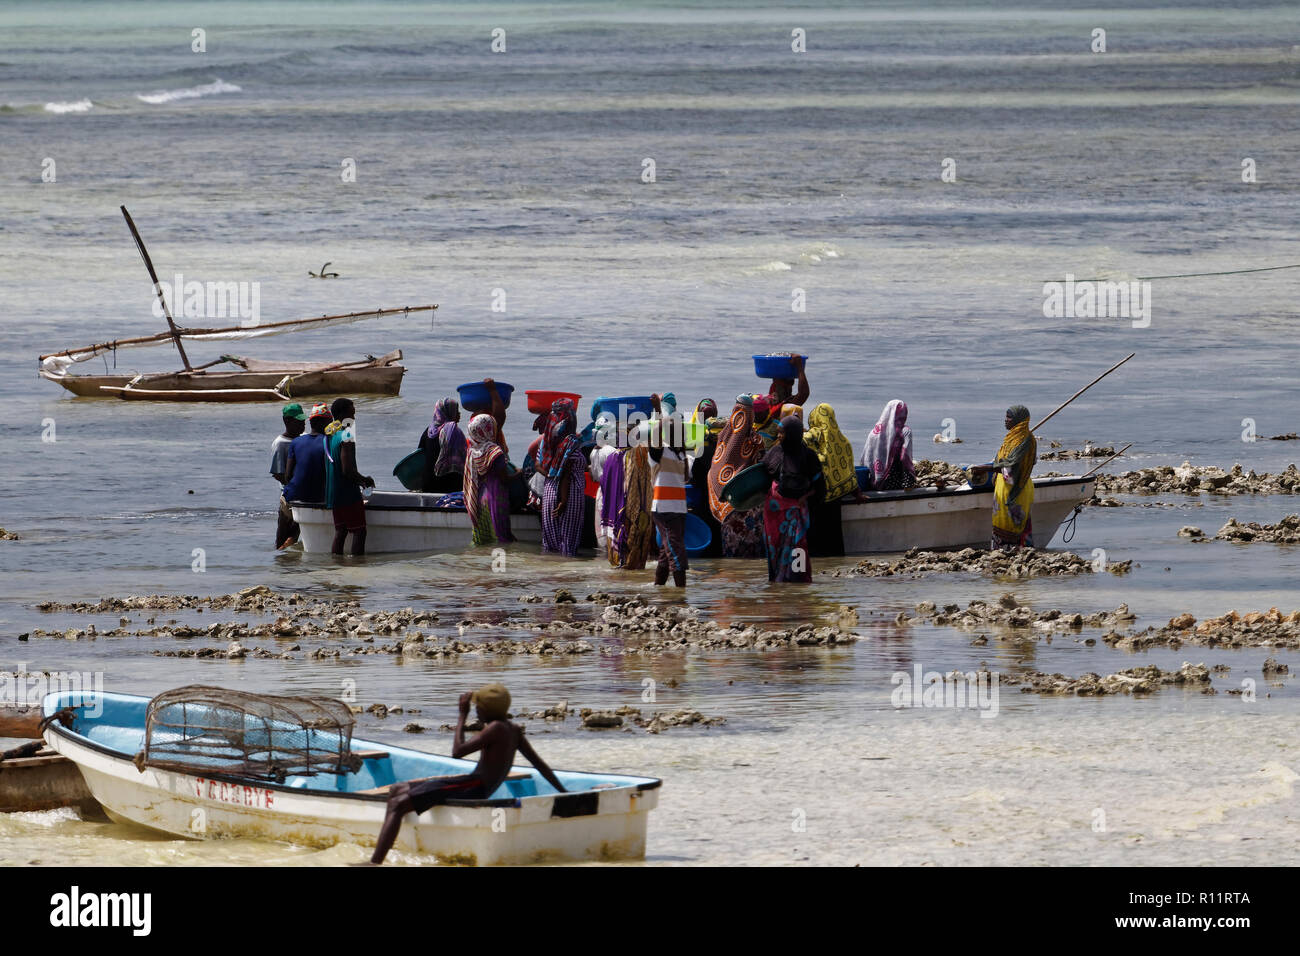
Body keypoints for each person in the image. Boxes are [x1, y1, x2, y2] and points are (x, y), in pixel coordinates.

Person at [369, 683, 566, 865]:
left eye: (478, 708)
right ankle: (388, 844)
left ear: (488, 710)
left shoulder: (496, 728)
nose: (476, 711)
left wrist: (462, 715)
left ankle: (374, 862)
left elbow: (457, 752)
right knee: (396, 789)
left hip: (474, 787)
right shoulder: (513, 729)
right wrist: (563, 791)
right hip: (472, 784)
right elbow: (540, 765)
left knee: (397, 803)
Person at [762, 416, 821, 583]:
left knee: (798, 547)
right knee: (775, 547)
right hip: (774, 514)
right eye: (778, 433)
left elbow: (819, 485)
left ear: (793, 434)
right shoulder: (775, 452)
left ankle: (799, 585)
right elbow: (763, 476)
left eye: (782, 433)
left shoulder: (808, 456)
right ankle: (778, 582)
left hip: (796, 510)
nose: (779, 436)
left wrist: (805, 497)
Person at [707, 394, 766, 558]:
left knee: (733, 557)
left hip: (730, 506)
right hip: (752, 507)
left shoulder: (723, 438)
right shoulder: (756, 440)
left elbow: (716, 472)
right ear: (752, 415)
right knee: (754, 557)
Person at [976, 405, 1037, 551]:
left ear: (1019, 421)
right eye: (1006, 416)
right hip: (1003, 487)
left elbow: (1012, 466)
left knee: (1014, 523)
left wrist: (985, 468)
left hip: (1018, 488)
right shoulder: (1010, 438)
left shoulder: (1026, 440)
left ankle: (1016, 554)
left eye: (1009, 417)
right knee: (1001, 522)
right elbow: (1002, 461)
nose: (1005, 420)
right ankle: (1001, 555)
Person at [803, 402, 860, 557]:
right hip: (836, 497)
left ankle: (816, 566)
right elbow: (848, 471)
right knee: (833, 534)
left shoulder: (811, 436)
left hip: (815, 497)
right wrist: (858, 494)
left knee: (814, 536)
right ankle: (835, 566)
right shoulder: (844, 442)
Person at [647, 393, 689, 587]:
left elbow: (686, 478)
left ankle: (659, 587)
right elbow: (654, 434)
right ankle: (682, 593)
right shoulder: (659, 452)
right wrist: (657, 410)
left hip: (677, 510)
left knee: (667, 551)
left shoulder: (681, 456)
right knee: (676, 550)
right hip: (664, 509)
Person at [324, 397, 375, 555]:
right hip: (347, 492)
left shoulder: (331, 435)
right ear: (342, 414)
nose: (353, 418)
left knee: (341, 531)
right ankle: (356, 570)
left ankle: (337, 567)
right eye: (351, 414)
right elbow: (347, 470)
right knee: (359, 532)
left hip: (333, 493)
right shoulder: (347, 436)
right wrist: (364, 480)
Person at [538, 398, 584, 556]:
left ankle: (552, 577)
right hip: (568, 496)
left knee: (551, 543)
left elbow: (538, 465)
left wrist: (552, 477)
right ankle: (566, 578)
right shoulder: (570, 442)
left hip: (549, 492)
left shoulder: (547, 440)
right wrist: (563, 500)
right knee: (567, 543)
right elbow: (566, 474)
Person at [281, 403, 332, 544]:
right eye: (330, 421)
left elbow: (287, 476)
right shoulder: (329, 442)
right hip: (316, 498)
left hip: (291, 497)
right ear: (324, 423)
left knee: (284, 536)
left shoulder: (296, 442)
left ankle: (281, 555)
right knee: (296, 536)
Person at [464, 413, 515, 546]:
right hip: (495, 496)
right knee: (501, 539)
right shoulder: (494, 451)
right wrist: (519, 474)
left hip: (479, 497)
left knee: (483, 540)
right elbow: (503, 478)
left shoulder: (472, 451)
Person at [861, 399, 917, 490]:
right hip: (894, 481)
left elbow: (866, 456)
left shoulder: (875, 432)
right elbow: (905, 457)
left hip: (873, 480)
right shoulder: (905, 431)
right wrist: (909, 482)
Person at [271, 403, 306, 548]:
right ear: (287, 421)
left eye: (304, 422)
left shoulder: (302, 439)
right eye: (299, 422)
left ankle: (288, 561)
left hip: (302, 496)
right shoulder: (280, 443)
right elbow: (278, 473)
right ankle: (281, 561)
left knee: (295, 533)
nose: (303, 425)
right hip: (288, 497)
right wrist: (295, 482)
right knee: (283, 536)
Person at [417, 397, 466, 493]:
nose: (459, 414)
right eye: (456, 410)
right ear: (448, 412)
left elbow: (419, 455)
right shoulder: (454, 430)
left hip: (428, 483)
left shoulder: (428, 431)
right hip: (451, 484)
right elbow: (463, 458)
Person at [588, 411, 621, 553]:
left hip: (600, 493)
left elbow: (593, 477)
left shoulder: (593, 452)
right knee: (614, 533)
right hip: (613, 494)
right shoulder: (612, 451)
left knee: (602, 533)